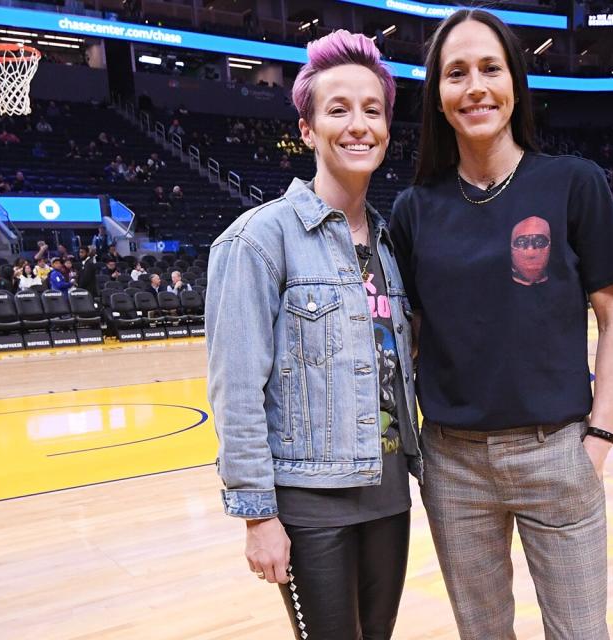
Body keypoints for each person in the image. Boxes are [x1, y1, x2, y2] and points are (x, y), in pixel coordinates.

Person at [388, 10, 613, 640]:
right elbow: (408, 334)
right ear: (439, 99)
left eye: (489, 68)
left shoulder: (573, 184)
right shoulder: (414, 209)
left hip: (557, 451)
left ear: (515, 84)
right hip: (454, 463)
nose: (474, 86)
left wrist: (599, 437)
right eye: (456, 73)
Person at [205, 30, 419, 640]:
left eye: (372, 111)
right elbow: (237, 390)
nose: (358, 125)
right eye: (338, 110)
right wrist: (257, 516)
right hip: (309, 504)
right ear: (306, 129)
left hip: (388, 493)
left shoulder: (390, 242)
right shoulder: (257, 240)